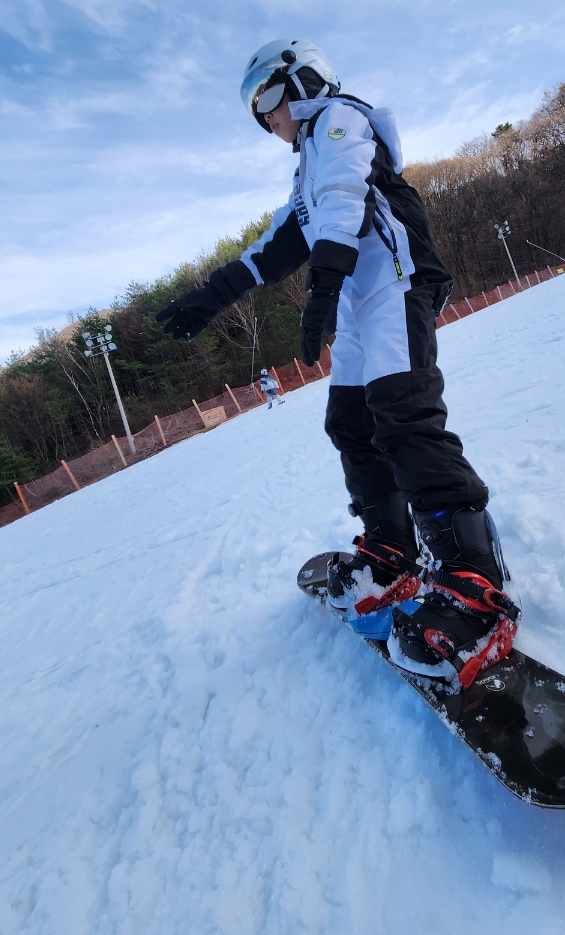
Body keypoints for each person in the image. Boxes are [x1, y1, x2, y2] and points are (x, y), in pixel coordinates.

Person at [155, 39, 518, 687]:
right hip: (358, 296)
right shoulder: (307, 166)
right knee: (351, 422)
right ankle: (393, 555)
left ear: (301, 82)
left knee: (403, 416)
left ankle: (474, 585)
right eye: (255, 109)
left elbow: (349, 195)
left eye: (264, 99)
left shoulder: (339, 119)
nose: (265, 119)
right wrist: (210, 296)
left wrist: (322, 290)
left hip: (395, 278)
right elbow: (276, 244)